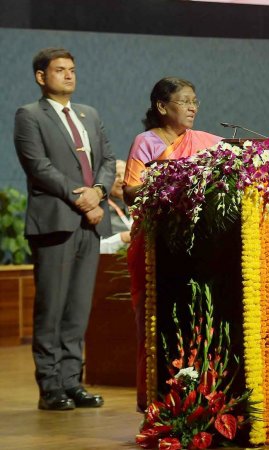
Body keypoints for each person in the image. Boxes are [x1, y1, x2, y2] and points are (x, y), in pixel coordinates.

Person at [14, 48, 115, 410]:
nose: (69, 76)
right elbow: (38, 167)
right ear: (42, 76)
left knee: (77, 309)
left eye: (72, 69)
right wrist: (83, 200)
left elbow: (107, 159)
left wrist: (100, 192)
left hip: (89, 223)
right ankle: (50, 386)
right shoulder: (29, 115)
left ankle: (73, 382)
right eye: (60, 70)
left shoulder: (89, 114)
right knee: (51, 308)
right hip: (56, 222)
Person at [124, 77, 223, 411]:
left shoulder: (206, 142)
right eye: (184, 101)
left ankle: (199, 396)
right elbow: (130, 191)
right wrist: (169, 178)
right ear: (162, 107)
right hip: (157, 246)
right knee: (154, 323)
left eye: (195, 100)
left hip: (199, 249)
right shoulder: (146, 142)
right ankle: (154, 400)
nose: (193, 107)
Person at [100, 160, 133, 254]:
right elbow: (92, 249)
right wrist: (121, 239)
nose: (121, 180)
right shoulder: (98, 210)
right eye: (116, 175)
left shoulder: (141, 208)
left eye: (125, 175)